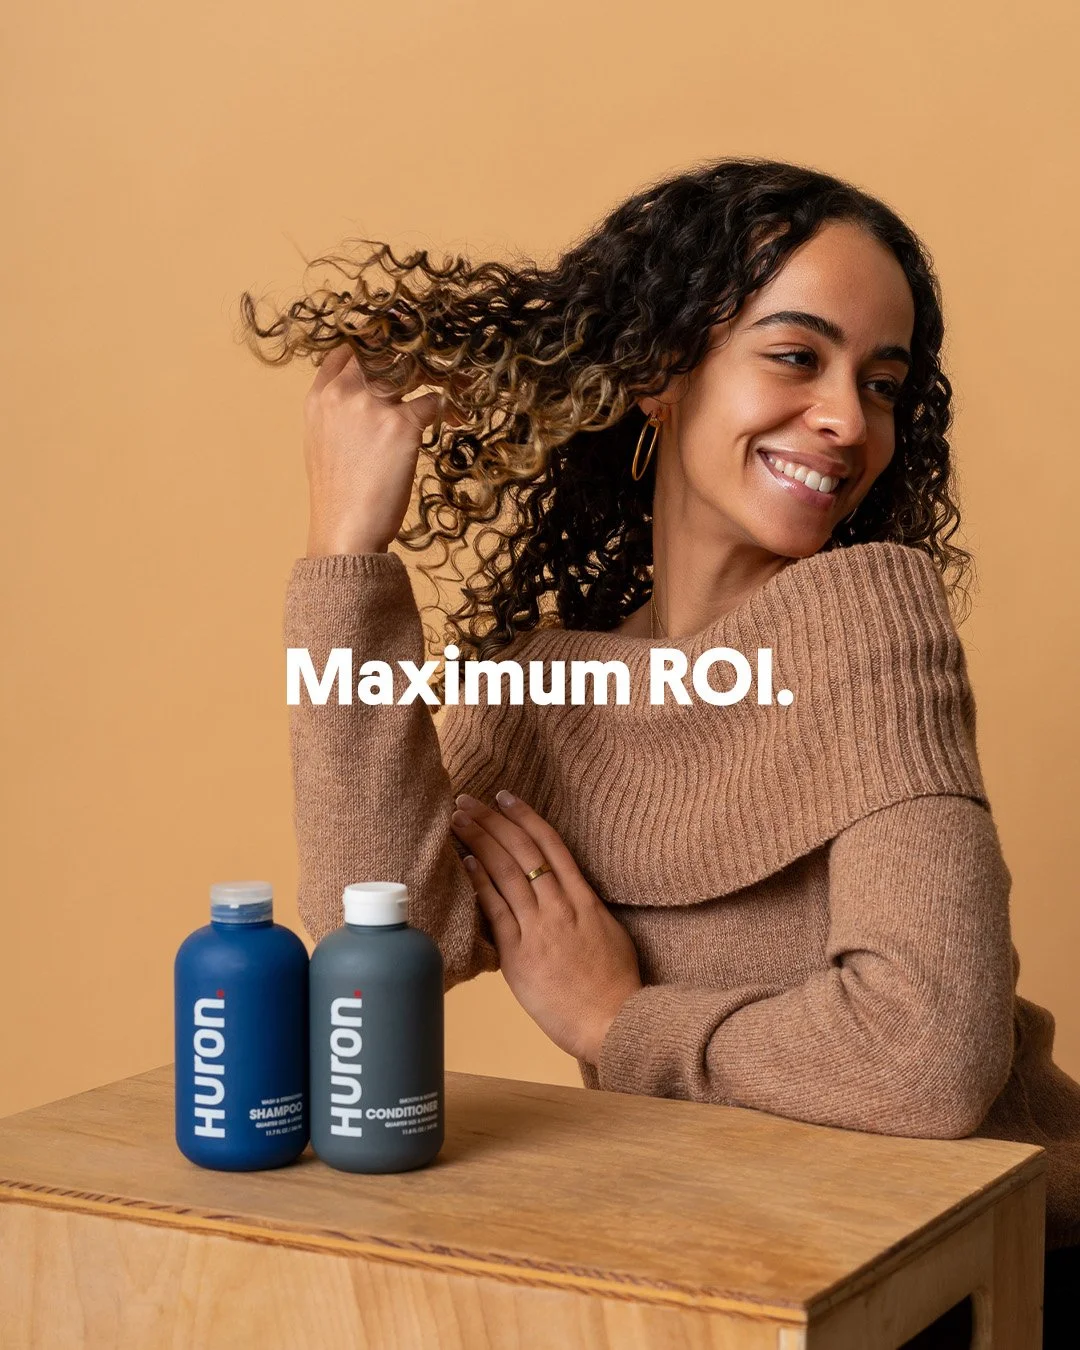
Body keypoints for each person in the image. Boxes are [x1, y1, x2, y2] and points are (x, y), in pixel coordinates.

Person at [242, 158, 1080, 1346]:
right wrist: (345, 556)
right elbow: (383, 937)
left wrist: (617, 1023)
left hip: (982, 1278)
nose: (848, 418)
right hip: (746, 1270)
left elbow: (928, 1057)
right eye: (797, 356)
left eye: (882, 383)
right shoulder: (555, 683)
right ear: (657, 374)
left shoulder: (870, 617)